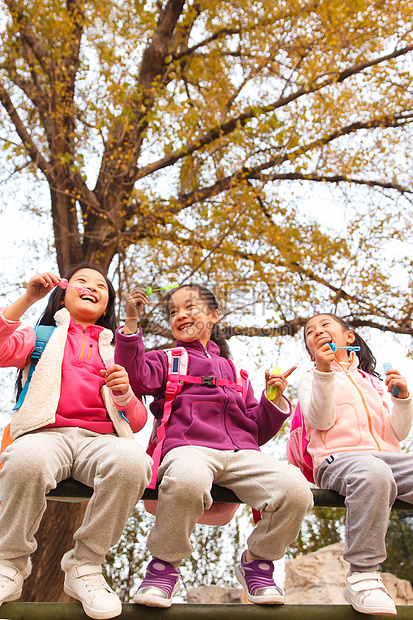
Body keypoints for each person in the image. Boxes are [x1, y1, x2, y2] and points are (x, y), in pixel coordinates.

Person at [115, 283, 313, 608]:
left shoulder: (237, 373)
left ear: (214, 315)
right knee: (188, 479)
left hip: (241, 453)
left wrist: (273, 399)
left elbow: (256, 430)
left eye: (190, 307)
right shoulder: (167, 360)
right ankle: (164, 566)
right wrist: (132, 324)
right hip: (188, 446)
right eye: (173, 311)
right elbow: (134, 375)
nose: (180, 315)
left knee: (295, 490)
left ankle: (258, 561)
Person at [0, 264, 153, 620]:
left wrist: (127, 394)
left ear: (106, 306)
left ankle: (85, 565)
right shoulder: (39, 336)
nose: (91, 287)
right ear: (62, 293)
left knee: (133, 462)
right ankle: (9, 563)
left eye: (101, 285)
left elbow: (139, 420)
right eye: (82, 281)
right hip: (45, 434)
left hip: (100, 441)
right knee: (25, 461)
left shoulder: (116, 349)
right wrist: (27, 298)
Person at [299, 313, 413, 616]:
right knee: (374, 474)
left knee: (381, 470)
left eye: (325, 326)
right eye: (310, 332)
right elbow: (320, 420)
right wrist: (324, 372)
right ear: (311, 351)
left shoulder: (374, 382)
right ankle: (363, 573)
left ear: (348, 337)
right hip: (339, 459)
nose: (317, 332)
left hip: (390, 460)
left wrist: (402, 400)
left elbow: (399, 432)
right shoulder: (311, 377)